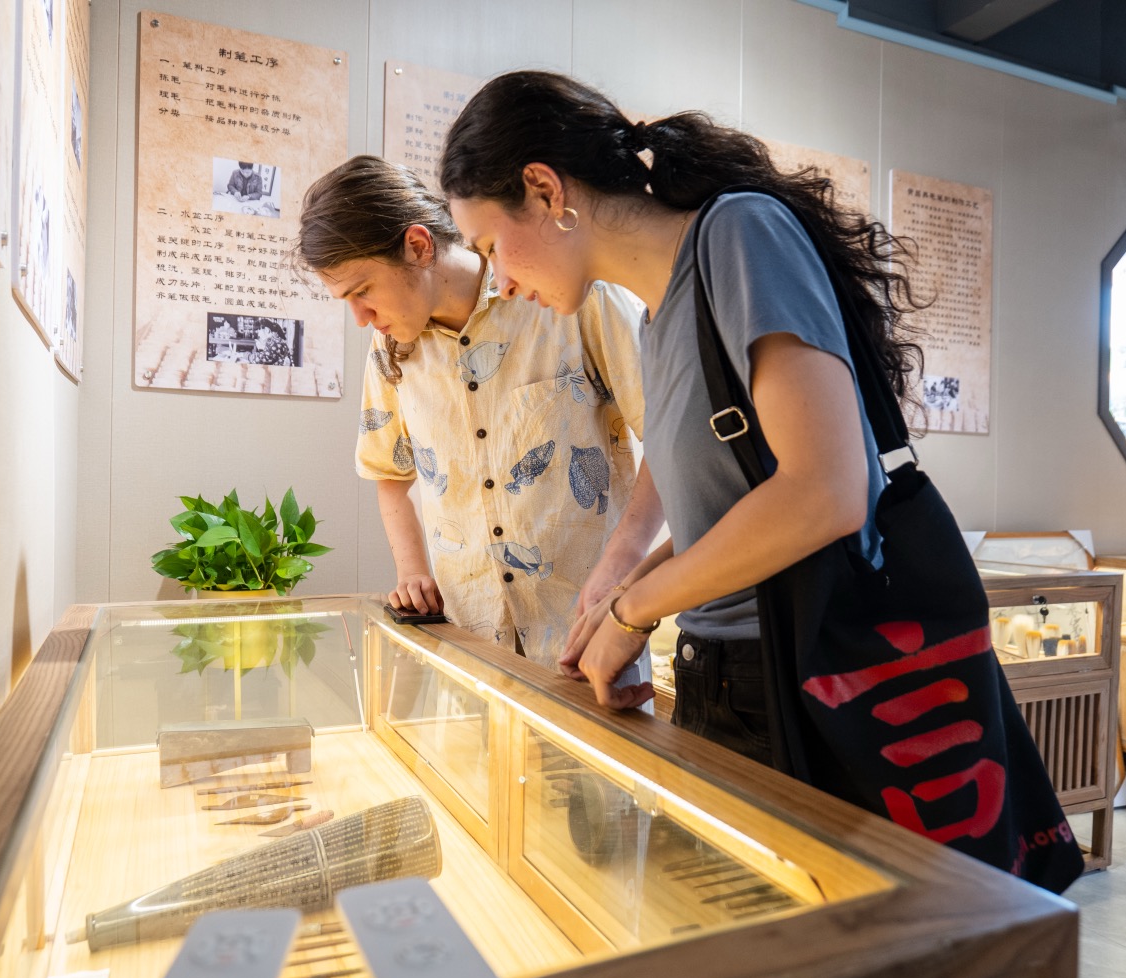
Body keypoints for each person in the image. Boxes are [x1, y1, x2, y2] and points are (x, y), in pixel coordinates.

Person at [438, 70, 1081, 891]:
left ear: (543, 189)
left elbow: (824, 490)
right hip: (731, 679)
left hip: (811, 678)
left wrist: (636, 607)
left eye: (493, 246)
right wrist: (623, 592)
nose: (500, 281)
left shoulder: (738, 235)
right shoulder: (656, 316)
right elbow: (736, 506)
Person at [296, 155, 663, 671]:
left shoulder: (570, 295)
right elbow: (387, 469)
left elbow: (669, 442)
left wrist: (621, 572)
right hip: (468, 648)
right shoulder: (389, 350)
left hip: (586, 638)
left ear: (418, 246)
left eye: (362, 291)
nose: (360, 318)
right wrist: (412, 571)